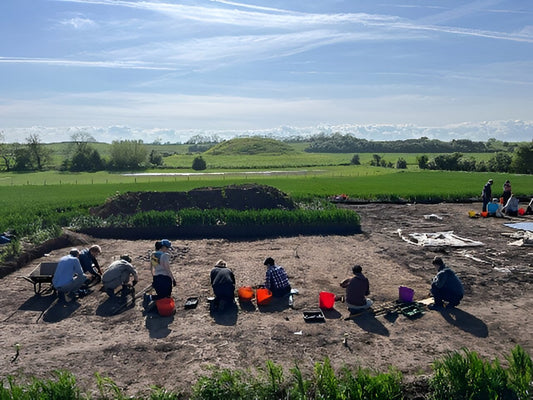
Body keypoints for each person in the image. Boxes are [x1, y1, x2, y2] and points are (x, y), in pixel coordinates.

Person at [144, 239, 176, 307]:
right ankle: (150, 298)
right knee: (166, 296)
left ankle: (152, 299)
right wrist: (173, 279)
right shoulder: (164, 256)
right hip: (165, 278)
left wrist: (154, 277)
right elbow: (167, 269)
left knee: (160, 293)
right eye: (167, 248)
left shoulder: (153, 255)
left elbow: (151, 268)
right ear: (163, 247)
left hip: (156, 277)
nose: (167, 250)